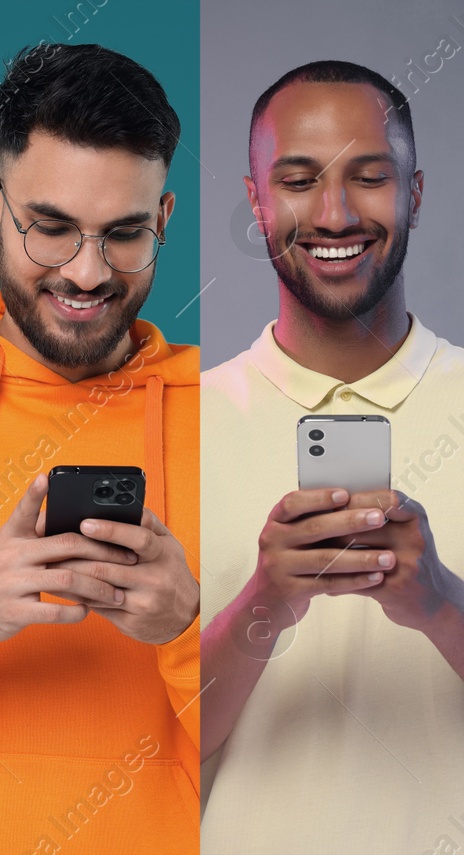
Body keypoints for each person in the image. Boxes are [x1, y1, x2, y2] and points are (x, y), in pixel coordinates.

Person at [0, 43, 201, 853]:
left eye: (122, 234)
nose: (87, 273)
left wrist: (189, 628)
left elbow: (284, 760)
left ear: (163, 220)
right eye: (50, 230)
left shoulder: (225, 412)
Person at [200, 60, 464, 854]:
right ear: (257, 202)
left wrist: (440, 604)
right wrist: (264, 604)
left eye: (371, 176)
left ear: (415, 192)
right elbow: (146, 743)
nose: (335, 212)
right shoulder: (184, 421)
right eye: (299, 179)